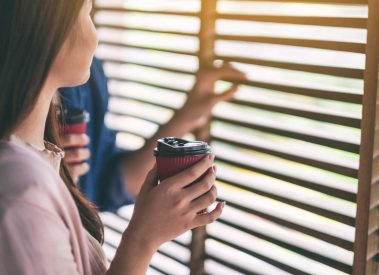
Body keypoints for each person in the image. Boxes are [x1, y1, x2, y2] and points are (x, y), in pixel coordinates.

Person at [0, 0, 224, 274]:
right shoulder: (22, 191)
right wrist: (143, 239)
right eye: (88, 13)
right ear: (48, 29)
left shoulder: (87, 81)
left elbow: (107, 177)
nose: (95, 36)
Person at [59, 58, 245, 212]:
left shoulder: (90, 71)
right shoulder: (34, 73)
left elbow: (106, 183)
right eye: (84, 13)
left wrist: (186, 117)